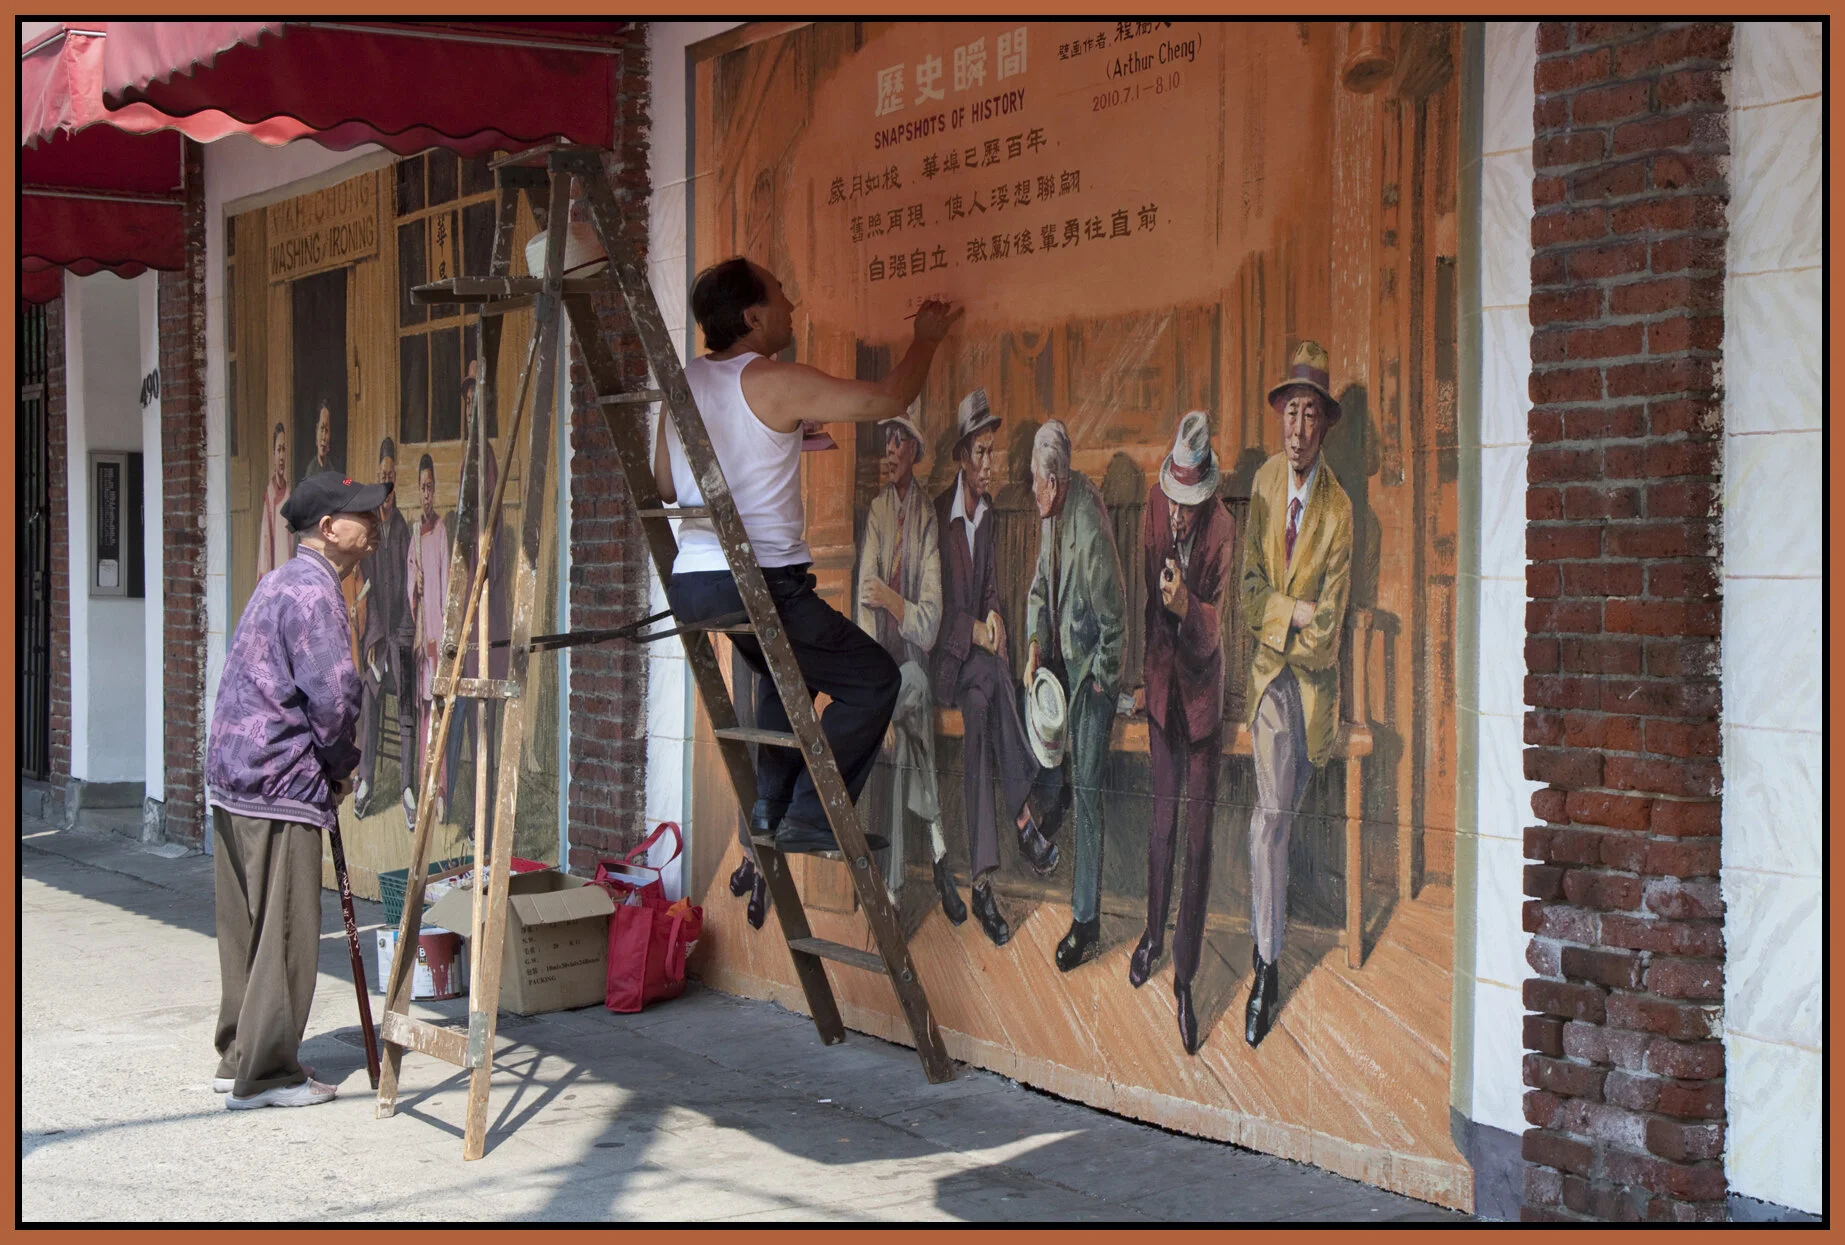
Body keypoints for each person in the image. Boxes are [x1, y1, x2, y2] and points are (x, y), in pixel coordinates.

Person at [654, 257, 961, 855]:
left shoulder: (682, 382)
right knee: (874, 681)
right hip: (759, 580)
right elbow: (891, 396)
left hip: (694, 583)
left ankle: (771, 806)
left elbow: (666, 485)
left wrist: (774, 437)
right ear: (752, 316)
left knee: (779, 670)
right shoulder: (772, 379)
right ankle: (813, 815)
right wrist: (925, 339)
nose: (791, 306)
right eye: (780, 297)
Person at [204, 470, 388, 1109]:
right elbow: (336, 697)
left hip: (235, 776)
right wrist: (341, 766)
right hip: (279, 777)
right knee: (283, 930)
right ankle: (268, 1074)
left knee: (247, 927)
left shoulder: (280, 580)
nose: (376, 523)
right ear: (329, 528)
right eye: (363, 515)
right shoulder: (315, 593)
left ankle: (238, 1053)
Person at [1239, 341, 1353, 1048]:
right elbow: (1248, 593)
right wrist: (1291, 611)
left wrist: (1293, 623)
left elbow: (1328, 635)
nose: (1298, 427)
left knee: (1278, 815)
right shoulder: (1259, 486)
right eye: (1290, 412)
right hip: (1265, 684)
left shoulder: (1338, 512)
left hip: (1310, 689)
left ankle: (1268, 946)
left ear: (1324, 425)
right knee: (1269, 818)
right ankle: (1266, 965)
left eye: (1311, 414)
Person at [931, 389, 1060, 946]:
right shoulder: (939, 518)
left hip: (978, 673)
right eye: (980, 453)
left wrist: (997, 620)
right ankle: (1024, 817)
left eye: (993, 451)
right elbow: (930, 613)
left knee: (982, 707)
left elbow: (989, 593)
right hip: (944, 660)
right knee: (985, 679)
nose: (990, 463)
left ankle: (982, 883)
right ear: (961, 457)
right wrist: (975, 632)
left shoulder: (987, 517)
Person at [1131, 410, 1236, 1055]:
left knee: (1198, 844)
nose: (1175, 513)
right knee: (1159, 827)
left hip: (1200, 702)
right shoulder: (1150, 508)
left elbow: (1211, 635)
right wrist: (1146, 676)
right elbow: (1147, 599)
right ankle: (1149, 934)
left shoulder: (1222, 529)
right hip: (1161, 691)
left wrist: (1183, 607)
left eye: (1185, 503)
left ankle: (1186, 977)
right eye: (1172, 498)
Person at [1024, 419, 1126, 972]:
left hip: (1093, 671)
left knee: (1088, 788)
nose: (1032, 490)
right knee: (1025, 710)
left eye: (1037, 481)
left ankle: (1085, 920)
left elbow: (1115, 625)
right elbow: (1040, 586)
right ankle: (1050, 791)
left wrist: (1098, 685)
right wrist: (1035, 643)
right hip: (1061, 659)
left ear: (1057, 482)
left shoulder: (1087, 529)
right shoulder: (1049, 513)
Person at [854, 410, 946, 903]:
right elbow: (860, 608)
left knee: (912, 681)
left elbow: (928, 626)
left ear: (913, 449)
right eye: (886, 440)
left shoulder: (928, 518)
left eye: (897, 441)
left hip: (911, 668)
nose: (888, 449)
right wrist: (874, 693)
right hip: (881, 675)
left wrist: (891, 598)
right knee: (903, 743)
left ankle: (890, 885)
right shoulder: (876, 513)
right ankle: (932, 842)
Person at [355, 437, 414, 816]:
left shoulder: (404, 529)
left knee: (407, 704)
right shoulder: (369, 530)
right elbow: (367, 587)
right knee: (369, 696)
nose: (387, 487)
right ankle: (365, 782)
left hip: (402, 636)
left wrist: (404, 638)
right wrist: (373, 637)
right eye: (382, 478)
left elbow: (410, 590)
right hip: (379, 638)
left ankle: (408, 786)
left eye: (391, 478)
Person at [405, 453, 451, 823]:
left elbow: (448, 582)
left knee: (440, 712)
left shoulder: (440, 531)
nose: (426, 494)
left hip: (439, 636)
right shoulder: (414, 537)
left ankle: (441, 792)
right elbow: (411, 586)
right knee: (424, 716)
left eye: (430, 487)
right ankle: (425, 787)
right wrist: (415, 591)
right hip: (423, 638)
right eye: (421, 487)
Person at [255, 422, 292, 579]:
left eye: (284, 449)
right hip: (275, 571)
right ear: (274, 454)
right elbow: (265, 543)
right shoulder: (270, 495)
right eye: (279, 450)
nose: (282, 456)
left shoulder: (290, 492)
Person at [299, 400, 340, 483]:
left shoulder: (332, 467)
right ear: (316, 430)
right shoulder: (311, 470)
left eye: (327, 430)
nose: (324, 437)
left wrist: (351, 483)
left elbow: (344, 481)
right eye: (321, 429)